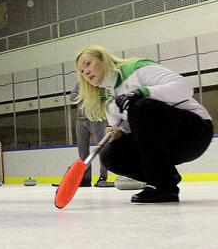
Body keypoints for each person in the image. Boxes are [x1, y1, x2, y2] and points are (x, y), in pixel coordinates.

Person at [75, 45, 213, 203]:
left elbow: (185, 88)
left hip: (194, 132)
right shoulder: (107, 99)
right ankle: (166, 176)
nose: (85, 71)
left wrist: (143, 92)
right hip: (165, 147)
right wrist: (118, 132)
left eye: (88, 64)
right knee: (110, 154)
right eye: (81, 71)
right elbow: (128, 126)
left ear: (103, 59)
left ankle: (163, 187)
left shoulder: (135, 68)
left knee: (139, 106)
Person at [73, 82, 113, 187]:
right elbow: (73, 97)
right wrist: (89, 96)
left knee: (101, 148)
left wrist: (87, 96)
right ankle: (86, 177)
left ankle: (103, 177)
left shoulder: (99, 82)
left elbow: (106, 96)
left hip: (97, 118)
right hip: (81, 120)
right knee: (82, 151)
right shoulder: (79, 85)